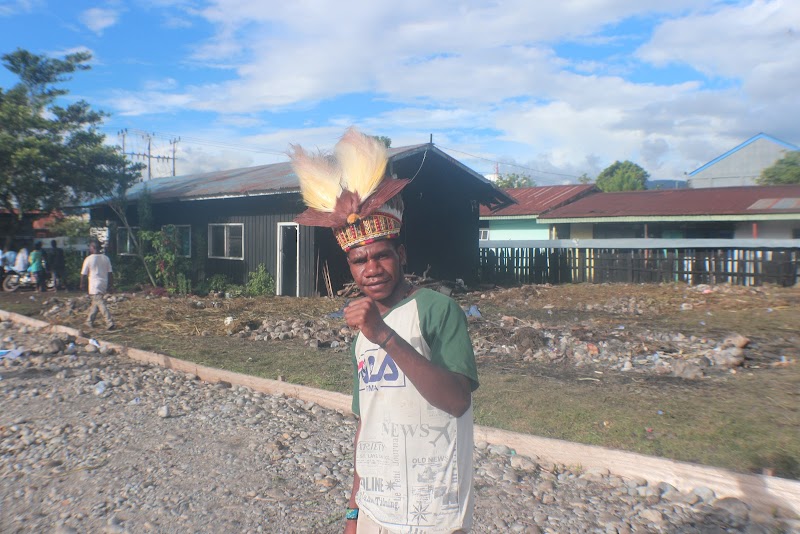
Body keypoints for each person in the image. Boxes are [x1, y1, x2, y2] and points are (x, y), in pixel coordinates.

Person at [290, 128, 479, 534]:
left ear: (401, 255)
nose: (371, 269)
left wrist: (386, 337)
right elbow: (366, 426)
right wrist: (353, 514)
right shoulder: (361, 332)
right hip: (377, 510)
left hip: (433, 511)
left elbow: (458, 400)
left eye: (381, 256)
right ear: (350, 268)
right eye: (359, 261)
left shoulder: (437, 310)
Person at [80, 239, 115, 330]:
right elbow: (110, 273)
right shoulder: (106, 258)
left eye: (90, 247)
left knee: (100, 303)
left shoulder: (88, 259)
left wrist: (82, 284)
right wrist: (111, 285)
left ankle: (109, 322)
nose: (89, 248)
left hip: (94, 285)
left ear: (93, 247)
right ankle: (89, 322)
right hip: (103, 283)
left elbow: (83, 274)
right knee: (95, 303)